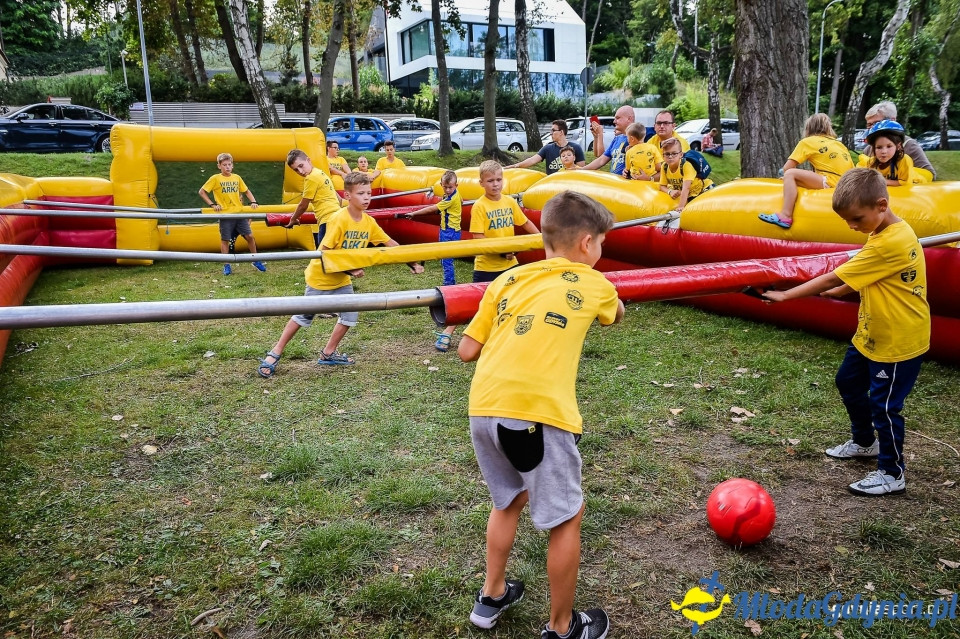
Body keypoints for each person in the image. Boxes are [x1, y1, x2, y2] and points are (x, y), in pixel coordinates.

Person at [459, 190, 625, 638]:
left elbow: (466, 349)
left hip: (483, 408)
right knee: (567, 517)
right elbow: (617, 313)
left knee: (507, 501)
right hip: (538, 416)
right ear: (588, 244)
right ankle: (562, 626)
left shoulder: (507, 280)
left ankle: (491, 596)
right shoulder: (595, 282)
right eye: (602, 244)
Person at [762, 168, 928, 497]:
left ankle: (892, 472)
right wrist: (843, 289)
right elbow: (869, 276)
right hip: (871, 333)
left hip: (897, 341)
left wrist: (785, 295)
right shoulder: (882, 231)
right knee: (848, 382)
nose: (852, 226)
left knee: (885, 407)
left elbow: (830, 278)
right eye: (847, 221)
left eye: (856, 219)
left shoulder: (890, 241)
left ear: (882, 205)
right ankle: (864, 442)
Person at [257, 172, 425, 377]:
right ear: (347, 196)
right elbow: (325, 252)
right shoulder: (339, 219)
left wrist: (412, 262)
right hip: (321, 278)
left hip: (342, 280)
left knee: (350, 315)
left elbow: (390, 244)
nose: (366, 197)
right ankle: (275, 352)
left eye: (369, 193)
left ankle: (328, 353)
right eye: (361, 193)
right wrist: (350, 269)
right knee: (303, 316)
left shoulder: (368, 222)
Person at [758, 113, 854, 230]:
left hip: (830, 181)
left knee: (790, 174)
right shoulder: (839, 144)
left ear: (808, 128)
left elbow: (787, 168)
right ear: (828, 127)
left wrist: (783, 175)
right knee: (794, 176)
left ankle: (785, 215)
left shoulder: (807, 142)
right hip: (846, 184)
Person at [403, 170, 463, 351]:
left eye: (449, 187)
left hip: (450, 231)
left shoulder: (450, 199)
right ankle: (446, 279)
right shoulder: (456, 195)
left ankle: (449, 283)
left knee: (446, 259)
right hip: (449, 229)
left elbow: (432, 209)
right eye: (444, 187)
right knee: (444, 257)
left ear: (456, 186)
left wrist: (415, 213)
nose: (446, 190)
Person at [468, 160, 540, 283]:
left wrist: (541, 239)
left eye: (499, 179)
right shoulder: (479, 206)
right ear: (481, 183)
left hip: (510, 264)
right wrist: (502, 250)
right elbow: (478, 236)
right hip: (487, 268)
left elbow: (525, 223)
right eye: (490, 181)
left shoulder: (510, 201)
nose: (495, 184)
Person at [197, 152, 266, 276]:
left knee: (250, 236)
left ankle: (255, 260)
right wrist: (212, 204)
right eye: (224, 165)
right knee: (225, 240)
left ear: (232, 165)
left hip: (239, 214)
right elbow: (202, 192)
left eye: (229, 164)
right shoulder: (215, 178)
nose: (227, 167)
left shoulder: (237, 177)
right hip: (225, 215)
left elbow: (246, 191)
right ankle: (226, 264)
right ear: (219, 166)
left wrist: (253, 201)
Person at [283, 149, 343, 249]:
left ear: (308, 160)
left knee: (323, 256)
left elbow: (303, 205)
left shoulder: (311, 178)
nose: (300, 171)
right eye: (296, 170)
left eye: (301, 166)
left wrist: (293, 219)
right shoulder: (320, 173)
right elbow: (339, 199)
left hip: (327, 220)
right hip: (338, 218)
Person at [863, 101, 935, 181]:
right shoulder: (868, 149)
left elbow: (930, 174)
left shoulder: (909, 145)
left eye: (877, 123)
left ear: (893, 120)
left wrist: (905, 173)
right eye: (869, 124)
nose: (872, 128)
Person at [505, 119, 585, 174]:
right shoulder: (548, 148)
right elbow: (532, 160)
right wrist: (515, 166)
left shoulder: (576, 148)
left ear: (561, 132)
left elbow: (581, 170)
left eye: (553, 130)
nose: (551, 133)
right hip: (551, 186)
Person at [658, 137, 713, 212]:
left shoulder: (686, 165)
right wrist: (670, 191)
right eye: (667, 154)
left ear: (681, 155)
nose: (670, 157)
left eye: (674, 153)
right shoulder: (664, 166)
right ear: (663, 156)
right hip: (690, 195)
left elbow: (686, 188)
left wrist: (680, 207)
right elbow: (662, 186)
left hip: (703, 190)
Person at [857, 120, 915, 187]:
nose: (884, 151)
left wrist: (882, 181)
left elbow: (906, 183)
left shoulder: (904, 160)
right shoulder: (871, 163)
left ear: (898, 146)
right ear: (873, 148)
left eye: (889, 146)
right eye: (879, 147)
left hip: (917, 178)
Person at [581, 105, 634, 174]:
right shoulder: (617, 139)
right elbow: (601, 160)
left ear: (629, 119)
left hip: (627, 183)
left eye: (618, 118)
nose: (614, 121)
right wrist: (581, 169)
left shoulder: (637, 139)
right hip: (613, 182)